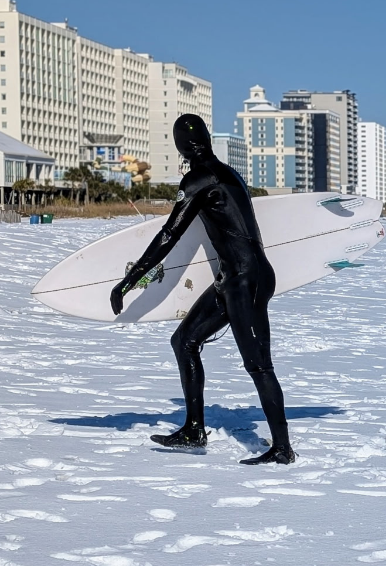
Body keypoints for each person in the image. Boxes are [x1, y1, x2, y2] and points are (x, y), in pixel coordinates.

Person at [110, 114, 295, 465]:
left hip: (247, 280)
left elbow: (169, 234)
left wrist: (130, 279)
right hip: (233, 278)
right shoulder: (227, 173)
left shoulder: (199, 179)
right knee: (184, 341)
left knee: (258, 366)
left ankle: (283, 448)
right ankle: (194, 430)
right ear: (207, 138)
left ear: (181, 146)